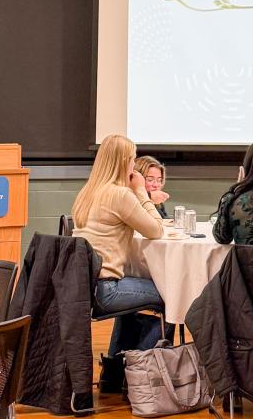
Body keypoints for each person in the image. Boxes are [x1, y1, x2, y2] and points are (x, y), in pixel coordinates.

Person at [72, 134, 174, 384]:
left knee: (135, 301)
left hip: (84, 288)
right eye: (132, 159)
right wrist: (141, 191)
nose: (134, 165)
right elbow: (156, 228)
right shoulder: (120, 195)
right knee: (173, 297)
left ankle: (115, 371)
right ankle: (139, 373)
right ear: (123, 162)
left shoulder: (88, 191)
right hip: (106, 289)